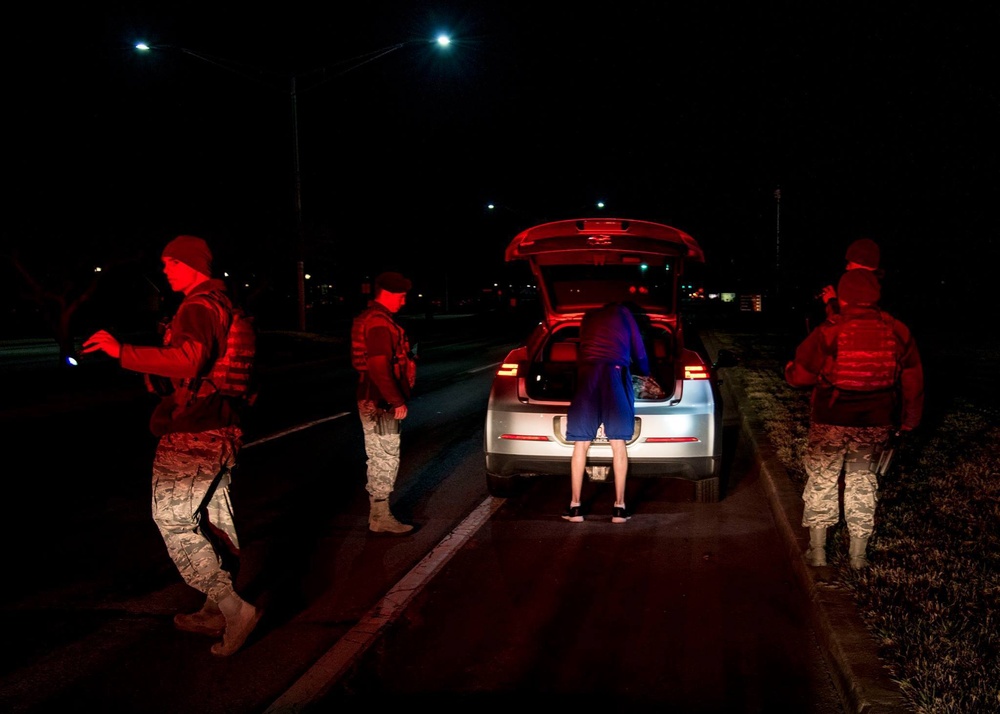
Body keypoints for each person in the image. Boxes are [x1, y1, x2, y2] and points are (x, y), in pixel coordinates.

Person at [82, 235, 262, 656]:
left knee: (175, 522)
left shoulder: (199, 306)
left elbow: (189, 360)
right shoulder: (219, 304)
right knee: (213, 518)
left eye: (170, 264)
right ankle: (214, 609)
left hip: (196, 431)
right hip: (220, 425)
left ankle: (233, 609)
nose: (165, 271)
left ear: (190, 265)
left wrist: (120, 350)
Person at [785, 270, 923, 569]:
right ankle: (858, 556)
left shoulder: (830, 329)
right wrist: (910, 419)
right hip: (875, 422)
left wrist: (790, 370)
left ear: (843, 297)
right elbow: (913, 379)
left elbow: (801, 376)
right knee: (863, 482)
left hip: (830, 421)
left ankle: (818, 551)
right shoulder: (897, 329)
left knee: (822, 480)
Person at [562, 302, 649, 524]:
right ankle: (619, 508)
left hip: (587, 376)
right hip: (614, 375)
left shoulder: (587, 315)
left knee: (580, 445)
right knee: (618, 443)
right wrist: (646, 372)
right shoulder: (625, 313)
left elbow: (581, 346)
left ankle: (575, 508)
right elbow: (638, 348)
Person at [351, 271, 418, 534]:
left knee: (380, 454)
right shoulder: (379, 323)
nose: (403, 302)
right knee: (384, 456)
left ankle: (379, 513)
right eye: (401, 297)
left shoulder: (373, 318)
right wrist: (395, 400)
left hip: (375, 397)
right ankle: (380, 516)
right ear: (388, 294)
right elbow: (378, 364)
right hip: (380, 402)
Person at [818, 237, 883, 318]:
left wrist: (832, 302)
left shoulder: (868, 289)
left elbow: (848, 323)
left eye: (850, 263)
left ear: (861, 263)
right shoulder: (874, 285)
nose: (847, 267)